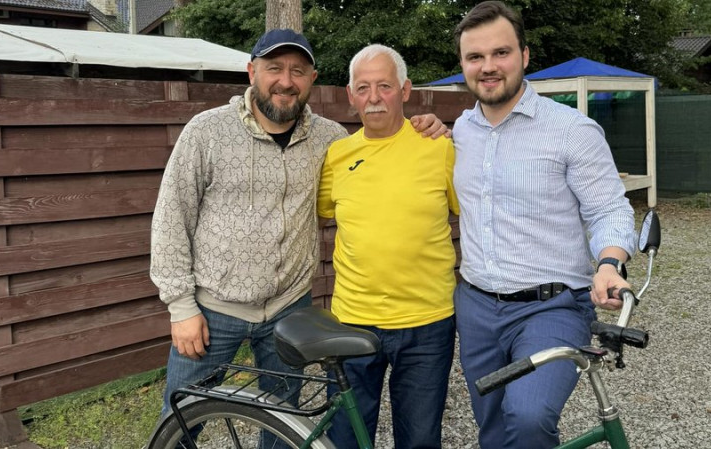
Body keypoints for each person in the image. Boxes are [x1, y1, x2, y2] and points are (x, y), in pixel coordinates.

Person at [150, 29, 447, 438]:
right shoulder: (207, 132)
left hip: (288, 310)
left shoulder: (330, 140)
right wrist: (181, 307)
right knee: (179, 422)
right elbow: (171, 218)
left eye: (298, 71)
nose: (286, 81)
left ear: (312, 79)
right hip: (213, 310)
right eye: (274, 68)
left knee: (284, 426)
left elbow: (380, 159)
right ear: (252, 72)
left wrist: (430, 126)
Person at [450, 2, 637, 448]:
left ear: (525, 55)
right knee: (492, 427)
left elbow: (610, 209)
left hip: (551, 307)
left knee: (529, 416)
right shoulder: (460, 130)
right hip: (476, 307)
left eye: (500, 53)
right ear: (463, 64)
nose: (488, 66)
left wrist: (609, 264)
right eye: (475, 57)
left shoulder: (572, 130)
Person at [317, 44, 460, 449]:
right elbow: (318, 212)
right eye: (363, 88)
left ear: (405, 90)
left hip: (427, 322)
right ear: (350, 95)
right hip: (352, 320)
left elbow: (475, 213)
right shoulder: (337, 155)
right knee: (345, 438)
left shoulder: (439, 147)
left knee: (419, 440)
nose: (374, 97)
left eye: (385, 85)